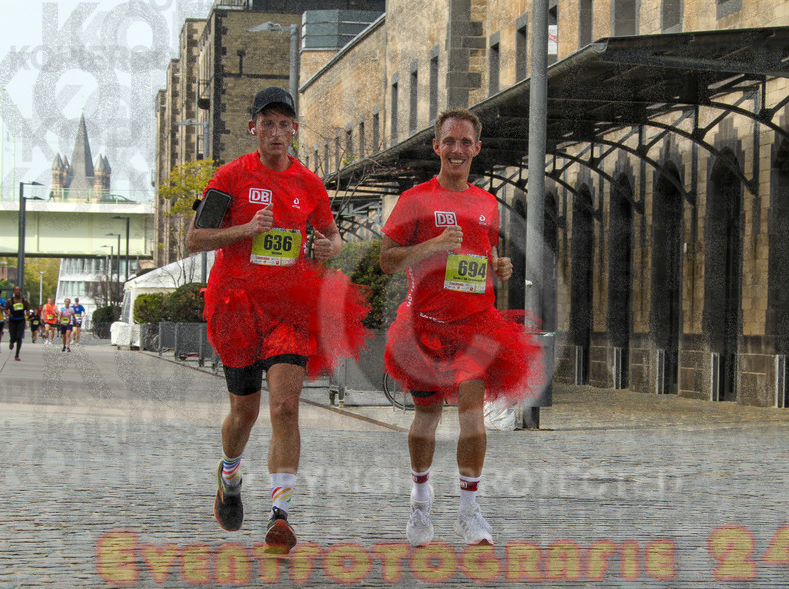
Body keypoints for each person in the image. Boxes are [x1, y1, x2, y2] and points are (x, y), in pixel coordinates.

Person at [184, 86, 370, 553]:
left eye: (284, 124)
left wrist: (329, 247)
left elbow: (333, 236)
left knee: (285, 407)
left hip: (290, 306)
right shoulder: (230, 176)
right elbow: (195, 238)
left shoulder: (309, 183)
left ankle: (280, 515)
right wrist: (246, 229)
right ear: (253, 128)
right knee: (244, 412)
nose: (275, 132)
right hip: (238, 305)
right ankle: (229, 475)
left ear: (294, 131)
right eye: (267, 123)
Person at [380, 109, 544, 548]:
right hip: (425, 326)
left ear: (477, 148)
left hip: (475, 326)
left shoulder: (486, 203)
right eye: (449, 141)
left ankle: (469, 511)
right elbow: (387, 259)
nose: (457, 149)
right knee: (427, 417)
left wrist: (499, 266)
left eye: (465, 142)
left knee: (473, 417)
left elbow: (484, 255)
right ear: (437, 146)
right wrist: (432, 245)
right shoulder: (415, 199)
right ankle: (420, 502)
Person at [5, 286, 30, 361]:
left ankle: (17, 355)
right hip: (12, 320)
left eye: (19, 290)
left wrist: (28, 313)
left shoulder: (24, 301)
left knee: (19, 337)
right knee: (13, 337)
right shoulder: (10, 301)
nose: (17, 291)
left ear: (21, 291)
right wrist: (8, 313)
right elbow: (5, 309)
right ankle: (11, 341)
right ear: (13, 291)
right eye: (16, 290)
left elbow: (28, 309)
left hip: (21, 320)